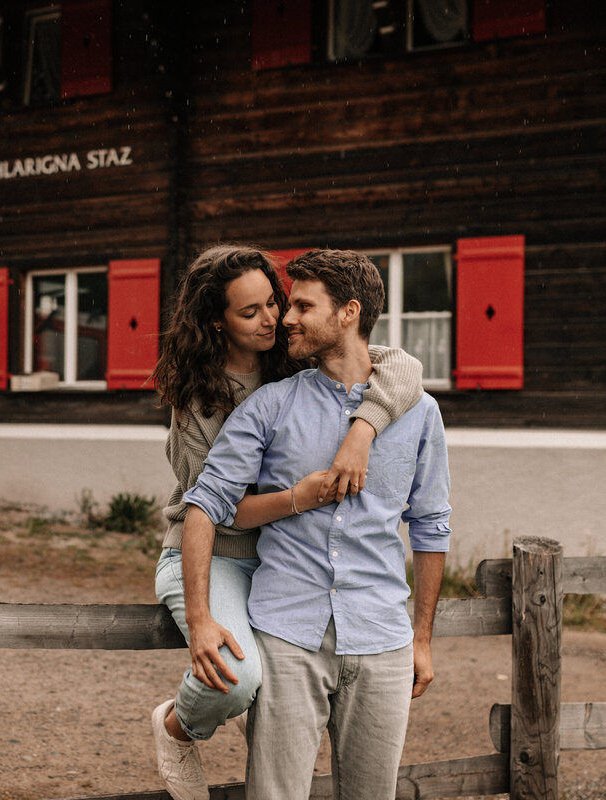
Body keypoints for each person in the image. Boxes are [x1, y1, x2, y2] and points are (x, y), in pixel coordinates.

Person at [149, 245, 425, 800]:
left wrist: (363, 429)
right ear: (216, 322)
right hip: (212, 553)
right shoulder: (198, 401)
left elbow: (403, 366)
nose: (274, 319)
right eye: (250, 313)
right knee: (238, 679)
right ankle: (177, 726)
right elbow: (215, 508)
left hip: (275, 559)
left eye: (272, 303)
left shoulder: (293, 359)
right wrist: (299, 497)